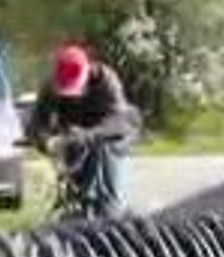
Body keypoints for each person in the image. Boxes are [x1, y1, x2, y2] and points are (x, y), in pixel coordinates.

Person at [28, 44, 140, 217]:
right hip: (74, 140)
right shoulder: (50, 86)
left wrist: (85, 135)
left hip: (111, 141)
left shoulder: (106, 80)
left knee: (110, 204)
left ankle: (113, 213)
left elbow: (117, 122)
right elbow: (35, 125)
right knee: (72, 198)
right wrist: (45, 141)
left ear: (87, 72)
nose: (72, 96)